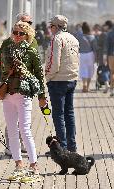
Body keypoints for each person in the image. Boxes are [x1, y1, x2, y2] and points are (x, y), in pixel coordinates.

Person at [0, 21, 47, 179]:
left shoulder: (32, 52)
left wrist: (42, 97)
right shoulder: (6, 49)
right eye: (15, 32)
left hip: (24, 94)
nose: (17, 36)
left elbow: (40, 76)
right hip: (7, 95)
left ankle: (34, 165)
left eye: (21, 33)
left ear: (28, 35)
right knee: (12, 131)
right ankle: (18, 164)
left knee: (25, 130)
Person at [0, 13, 39, 156]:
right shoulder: (7, 42)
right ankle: (10, 147)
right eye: (23, 22)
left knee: (24, 124)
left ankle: (24, 149)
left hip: (25, 88)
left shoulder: (33, 42)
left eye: (29, 22)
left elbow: (36, 67)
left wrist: (38, 91)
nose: (26, 24)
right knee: (11, 122)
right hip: (9, 88)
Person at [45, 15, 79, 153]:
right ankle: (72, 147)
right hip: (71, 79)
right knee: (69, 113)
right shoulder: (73, 38)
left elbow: (54, 62)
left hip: (58, 80)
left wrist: (47, 76)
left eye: (51, 26)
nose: (50, 29)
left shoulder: (56, 39)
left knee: (58, 115)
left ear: (55, 27)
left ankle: (62, 148)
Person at [76, 22, 98, 92]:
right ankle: (87, 87)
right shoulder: (92, 37)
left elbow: (76, 46)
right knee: (90, 70)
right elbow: (95, 48)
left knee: (83, 70)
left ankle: (84, 84)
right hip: (90, 55)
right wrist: (96, 58)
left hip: (82, 55)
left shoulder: (79, 37)